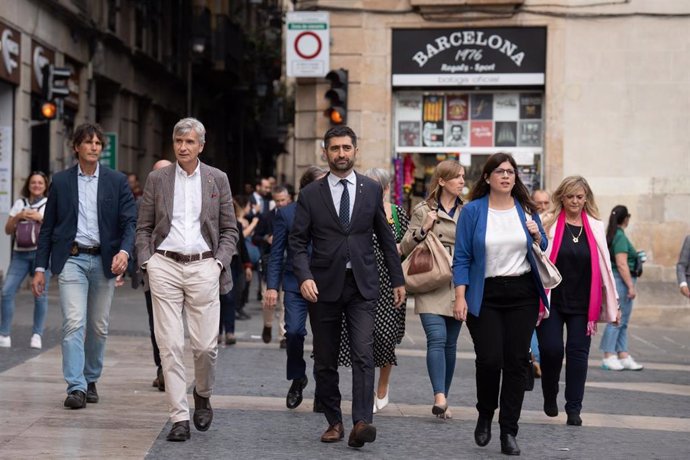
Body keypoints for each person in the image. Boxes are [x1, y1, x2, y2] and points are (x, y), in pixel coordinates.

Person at [289, 126, 405, 449]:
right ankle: (334, 421)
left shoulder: (370, 190)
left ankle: (361, 422)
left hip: (362, 286)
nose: (341, 153)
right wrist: (304, 276)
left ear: (356, 151)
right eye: (335, 148)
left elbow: (385, 237)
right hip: (322, 287)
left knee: (363, 353)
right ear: (325, 153)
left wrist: (397, 279)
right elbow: (297, 242)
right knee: (324, 358)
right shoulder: (311, 194)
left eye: (346, 148)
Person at [135, 118, 239, 442]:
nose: (183, 147)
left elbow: (230, 229)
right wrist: (147, 261)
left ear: (201, 146)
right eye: (178, 141)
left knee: (206, 346)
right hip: (164, 264)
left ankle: (203, 393)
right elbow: (143, 227)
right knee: (169, 345)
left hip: (204, 266)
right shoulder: (157, 179)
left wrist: (219, 263)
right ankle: (179, 417)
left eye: (189, 142)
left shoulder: (217, 180)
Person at [32, 122, 137, 409]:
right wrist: (40, 268)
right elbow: (49, 227)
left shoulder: (116, 181)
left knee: (98, 326)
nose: (94, 147)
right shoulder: (62, 181)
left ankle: (91, 379)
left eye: (98, 143)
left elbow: (130, 222)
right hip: (71, 259)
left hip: (104, 261)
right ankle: (76, 386)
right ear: (76, 146)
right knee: (74, 322)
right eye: (88, 142)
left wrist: (125, 252)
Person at [453, 152, 549, 456]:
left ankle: (509, 430)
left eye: (511, 172)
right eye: (500, 172)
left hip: (522, 293)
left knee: (517, 362)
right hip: (487, 293)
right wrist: (459, 296)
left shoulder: (526, 209)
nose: (506, 176)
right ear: (487, 177)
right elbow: (462, 257)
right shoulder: (473, 212)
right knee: (490, 360)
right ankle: (485, 413)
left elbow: (543, 246)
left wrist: (537, 233)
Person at [537, 176, 620, 426]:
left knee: (578, 355)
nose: (575, 201)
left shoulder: (595, 226)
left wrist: (614, 302)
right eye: (570, 196)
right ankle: (550, 393)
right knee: (551, 351)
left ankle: (574, 408)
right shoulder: (547, 223)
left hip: (583, 304)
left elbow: (606, 266)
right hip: (553, 300)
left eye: (580, 197)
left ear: (586, 199)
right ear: (562, 197)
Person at [339, 167, 410, 414]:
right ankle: (366, 389)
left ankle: (383, 384)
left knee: (386, 337)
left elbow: (408, 245)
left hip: (391, 283)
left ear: (387, 188)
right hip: (365, 281)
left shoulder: (398, 214)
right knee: (365, 339)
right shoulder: (358, 211)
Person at [399, 160, 464, 419]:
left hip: (458, 282)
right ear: (441, 181)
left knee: (450, 344)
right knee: (436, 338)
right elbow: (404, 246)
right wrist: (425, 226)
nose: (462, 181)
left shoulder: (468, 211)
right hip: (430, 278)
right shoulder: (423, 209)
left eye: (462, 177)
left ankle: (443, 399)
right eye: (456, 177)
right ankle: (439, 395)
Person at [264, 166, 327, 409]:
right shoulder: (286, 214)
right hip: (294, 283)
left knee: (324, 339)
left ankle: (324, 390)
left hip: (325, 282)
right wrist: (272, 287)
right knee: (294, 332)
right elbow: (276, 252)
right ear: (307, 187)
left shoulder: (332, 212)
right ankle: (297, 377)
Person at [0, 172, 50, 349]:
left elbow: (56, 230)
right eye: (33, 182)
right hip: (19, 254)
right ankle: (4, 334)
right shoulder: (19, 204)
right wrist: (18, 216)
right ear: (28, 185)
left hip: (41, 255)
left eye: (40, 183)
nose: (36, 185)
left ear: (45, 186)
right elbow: (7, 230)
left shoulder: (49, 204)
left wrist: (40, 218)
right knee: (6, 292)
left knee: (40, 295)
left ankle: (37, 334)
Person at [599, 205, 644, 371]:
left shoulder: (614, 235)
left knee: (622, 321)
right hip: (622, 281)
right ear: (626, 219)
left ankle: (622, 354)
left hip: (619, 280)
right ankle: (609, 355)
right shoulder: (620, 237)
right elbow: (622, 263)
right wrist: (631, 286)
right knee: (616, 319)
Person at [140, 159, 172, 391]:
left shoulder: (184, 198)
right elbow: (138, 232)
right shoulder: (143, 202)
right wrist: (144, 263)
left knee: (177, 324)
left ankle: (172, 367)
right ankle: (162, 367)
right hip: (154, 271)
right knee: (157, 323)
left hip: (184, 269)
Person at [259, 185, 292, 346]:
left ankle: (283, 335)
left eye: (282, 200)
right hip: (270, 263)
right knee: (268, 301)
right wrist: (266, 238)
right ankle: (267, 325)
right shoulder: (267, 217)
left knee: (285, 302)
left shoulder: (295, 216)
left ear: (289, 199)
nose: (280, 203)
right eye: (277, 201)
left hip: (288, 265)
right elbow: (256, 237)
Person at [218, 198, 254, 345]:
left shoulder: (237, 224)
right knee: (217, 299)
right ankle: (217, 332)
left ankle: (230, 332)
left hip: (233, 263)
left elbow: (242, 247)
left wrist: (247, 266)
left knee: (230, 298)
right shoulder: (212, 223)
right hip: (216, 263)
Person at [529, 188, 551, 378]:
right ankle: (535, 358)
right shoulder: (532, 219)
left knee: (539, 321)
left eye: (546, 203)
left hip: (550, 280)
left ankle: (537, 358)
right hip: (535, 276)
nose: (543, 207)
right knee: (533, 319)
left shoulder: (553, 222)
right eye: (539, 203)